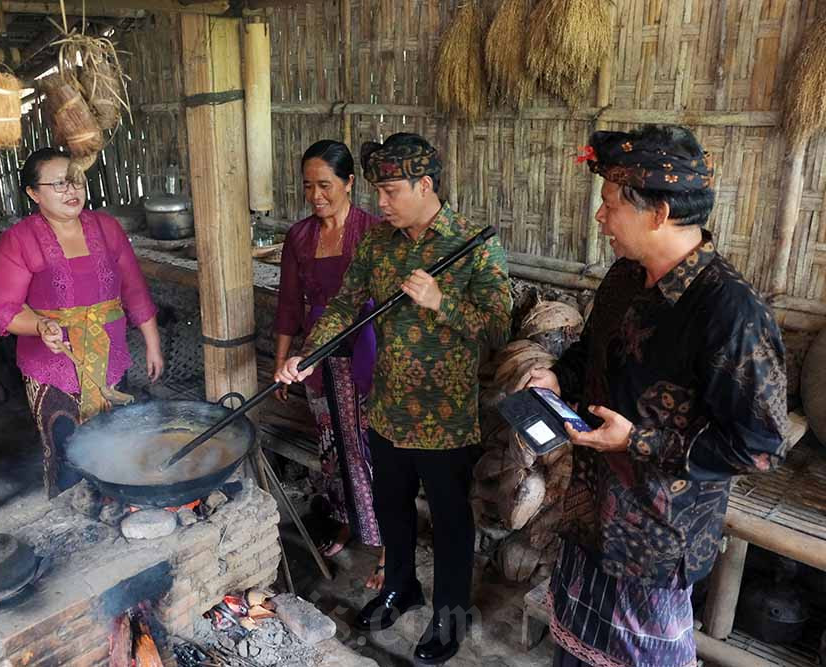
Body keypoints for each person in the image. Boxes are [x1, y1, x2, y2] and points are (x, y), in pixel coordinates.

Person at [526, 125, 790, 667]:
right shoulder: (624, 277)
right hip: (590, 512)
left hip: (655, 539)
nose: (600, 218)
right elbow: (589, 355)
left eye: (609, 205)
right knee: (572, 655)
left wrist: (638, 440)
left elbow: (760, 446)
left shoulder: (730, 312)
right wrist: (558, 379)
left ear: (659, 212)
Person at [276, 132, 512, 664]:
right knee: (392, 508)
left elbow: (498, 327)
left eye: (389, 191)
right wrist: (309, 355)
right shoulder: (379, 243)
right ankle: (400, 586)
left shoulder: (472, 243)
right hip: (385, 407)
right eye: (377, 191)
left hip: (444, 419)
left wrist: (440, 300)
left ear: (424, 185)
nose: (379, 203)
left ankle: (450, 614)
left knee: (451, 520)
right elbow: (341, 304)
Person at [0, 147, 163, 498]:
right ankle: (71, 514)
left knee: (114, 439)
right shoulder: (20, 240)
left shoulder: (106, 227)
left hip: (110, 357)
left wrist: (153, 344)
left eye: (75, 182)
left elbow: (135, 289)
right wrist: (39, 327)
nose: (72, 191)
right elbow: (2, 307)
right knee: (68, 448)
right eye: (59, 185)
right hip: (54, 367)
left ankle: (117, 504)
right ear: (34, 194)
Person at [273, 140, 384, 589]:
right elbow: (286, 305)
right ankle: (344, 523)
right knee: (332, 448)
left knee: (370, 451)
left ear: (349, 182)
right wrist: (281, 362)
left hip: (366, 354)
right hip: (317, 357)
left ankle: (385, 546)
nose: (316, 195)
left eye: (325, 185)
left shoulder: (373, 231)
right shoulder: (299, 237)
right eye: (308, 186)